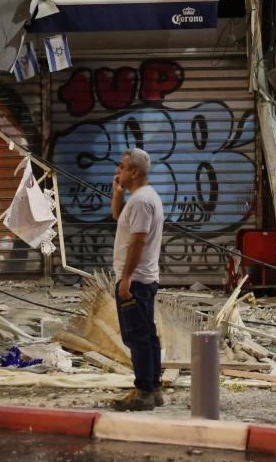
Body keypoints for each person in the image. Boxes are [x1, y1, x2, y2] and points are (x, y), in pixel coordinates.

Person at [110, 147, 164, 411]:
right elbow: (118, 217)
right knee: (147, 335)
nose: (117, 171)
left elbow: (138, 241)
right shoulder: (139, 199)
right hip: (142, 279)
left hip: (137, 281)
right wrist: (117, 192)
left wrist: (126, 278)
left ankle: (144, 391)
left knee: (138, 337)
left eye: (121, 167)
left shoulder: (142, 201)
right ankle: (153, 388)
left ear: (134, 171)